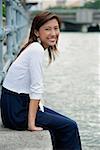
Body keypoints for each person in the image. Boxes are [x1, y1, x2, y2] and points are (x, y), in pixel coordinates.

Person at [0, 11, 82, 150]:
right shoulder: (36, 50)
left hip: (13, 107)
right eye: (47, 29)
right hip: (17, 112)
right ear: (37, 32)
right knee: (70, 126)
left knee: (63, 124)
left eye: (56, 28)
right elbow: (36, 88)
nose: (53, 33)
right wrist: (31, 124)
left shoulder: (33, 47)